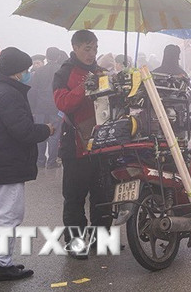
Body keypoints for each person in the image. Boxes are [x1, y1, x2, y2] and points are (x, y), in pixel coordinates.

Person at [0, 47, 53, 282]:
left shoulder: (0, 90)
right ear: (17, 72)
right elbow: (23, 131)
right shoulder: (9, 94)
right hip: (9, 163)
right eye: (26, 70)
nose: (28, 73)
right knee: (9, 214)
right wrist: (46, 130)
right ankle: (1, 264)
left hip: (1, 161)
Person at [53, 29, 110, 257]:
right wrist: (85, 87)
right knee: (75, 198)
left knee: (103, 196)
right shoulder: (64, 72)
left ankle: (101, 240)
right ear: (75, 47)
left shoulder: (100, 71)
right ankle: (76, 244)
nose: (92, 53)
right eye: (87, 48)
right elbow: (62, 103)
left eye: (95, 48)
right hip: (75, 145)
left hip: (103, 143)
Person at [29, 47, 65, 168]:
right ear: (58, 57)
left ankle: (40, 161)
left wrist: (33, 108)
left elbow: (32, 91)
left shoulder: (39, 72)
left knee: (40, 135)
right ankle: (52, 162)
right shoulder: (61, 71)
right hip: (56, 108)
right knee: (54, 136)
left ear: (47, 57)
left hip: (40, 108)